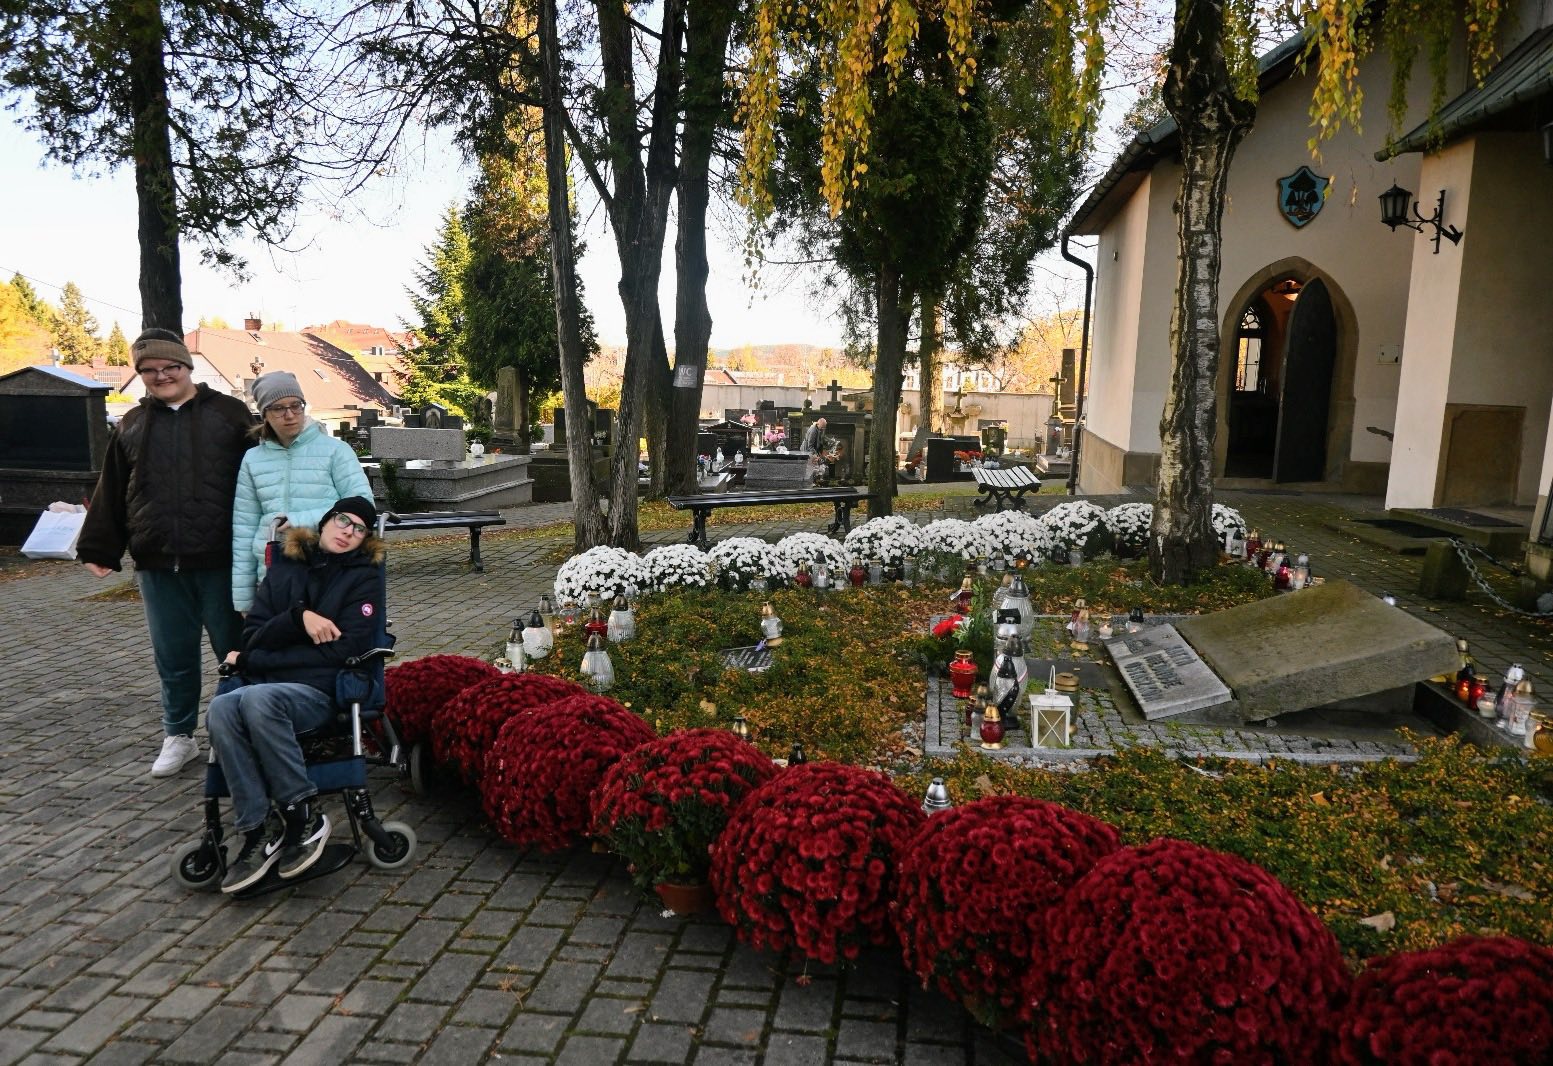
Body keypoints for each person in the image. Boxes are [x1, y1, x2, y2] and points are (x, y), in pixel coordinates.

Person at [78, 328, 255, 777]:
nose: (161, 376)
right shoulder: (132, 423)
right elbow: (113, 486)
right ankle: (179, 735)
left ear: (186, 367)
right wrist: (100, 546)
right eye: (149, 370)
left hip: (223, 560)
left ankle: (236, 733)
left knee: (236, 653)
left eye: (170, 367)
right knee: (173, 657)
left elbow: (263, 472)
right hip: (157, 561)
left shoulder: (229, 414)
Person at [208, 496, 384, 893]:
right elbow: (252, 635)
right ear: (325, 522)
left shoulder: (363, 579)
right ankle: (257, 829)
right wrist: (298, 619)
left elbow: (343, 651)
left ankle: (302, 815)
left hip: (319, 692)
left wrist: (259, 659)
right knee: (222, 707)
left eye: (359, 529)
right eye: (343, 521)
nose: (348, 532)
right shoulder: (284, 570)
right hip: (267, 686)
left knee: (257, 699)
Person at [232, 371, 372, 614]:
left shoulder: (336, 451)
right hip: (272, 575)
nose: (289, 415)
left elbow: (363, 506)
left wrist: (299, 520)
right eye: (278, 408)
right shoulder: (252, 459)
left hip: (327, 571)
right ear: (264, 413)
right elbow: (244, 529)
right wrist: (244, 601)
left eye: (296, 405)